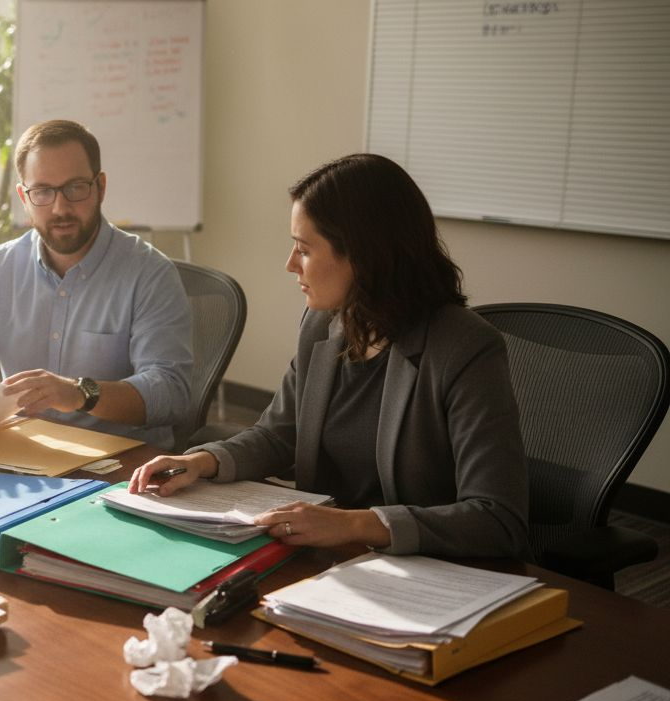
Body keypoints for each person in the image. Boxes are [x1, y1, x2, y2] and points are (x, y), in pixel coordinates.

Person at [129, 153, 530, 559]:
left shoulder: (464, 347)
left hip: (416, 568)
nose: (290, 265)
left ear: (362, 255)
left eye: (304, 249)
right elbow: (279, 434)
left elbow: (496, 517)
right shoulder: (325, 324)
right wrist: (203, 461)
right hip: (324, 556)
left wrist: (353, 524)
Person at [0, 119, 191, 448]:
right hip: (28, 451)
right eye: (43, 192)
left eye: (76, 188)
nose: (60, 207)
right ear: (24, 196)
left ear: (100, 187)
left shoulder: (149, 274)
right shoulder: (1, 266)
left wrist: (81, 393)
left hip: (116, 463)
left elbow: (171, 393)